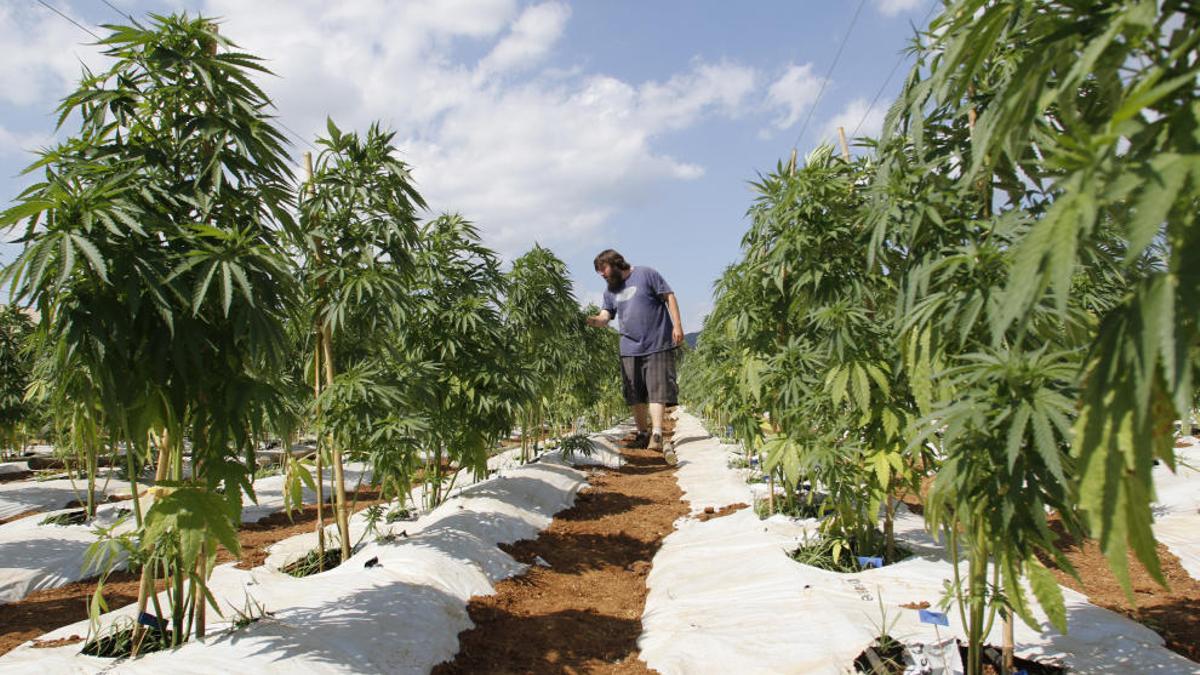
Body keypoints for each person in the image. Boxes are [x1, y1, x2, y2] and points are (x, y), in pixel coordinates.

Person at [586, 249, 683, 465]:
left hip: (657, 341)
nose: (601, 274)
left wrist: (677, 325)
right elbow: (606, 316)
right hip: (629, 346)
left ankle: (657, 433)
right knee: (634, 391)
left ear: (616, 263)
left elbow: (669, 296)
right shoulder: (610, 290)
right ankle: (642, 434)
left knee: (657, 389)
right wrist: (592, 320)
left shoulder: (646, 274)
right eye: (599, 271)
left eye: (603, 269)